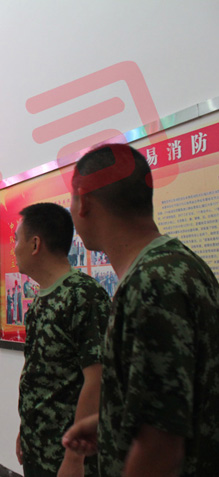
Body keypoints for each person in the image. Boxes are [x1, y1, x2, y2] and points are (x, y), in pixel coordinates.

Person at [63, 144, 219, 476]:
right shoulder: (181, 265)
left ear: (84, 202)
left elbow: (160, 446)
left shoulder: (150, 285)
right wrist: (110, 423)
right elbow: (178, 402)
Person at [14, 203, 109, 477]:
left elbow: (97, 379)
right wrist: (26, 429)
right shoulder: (41, 299)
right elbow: (39, 375)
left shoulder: (83, 296)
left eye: (17, 239)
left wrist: (74, 457)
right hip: (38, 447)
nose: (14, 248)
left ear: (35, 244)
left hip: (67, 457)